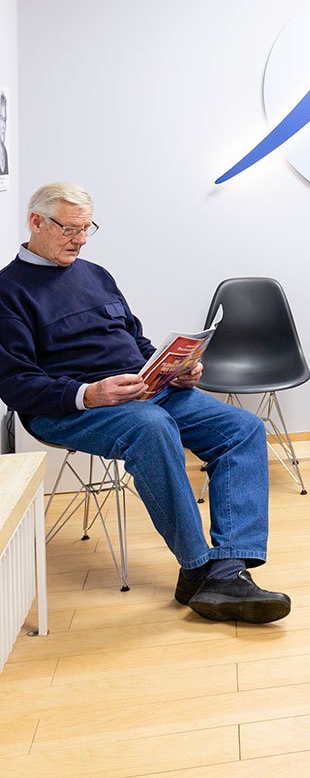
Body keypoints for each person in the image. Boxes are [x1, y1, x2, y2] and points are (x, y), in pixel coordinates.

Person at [0, 182, 291, 623]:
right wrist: (89, 393)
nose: (80, 240)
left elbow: (134, 341)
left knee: (242, 428)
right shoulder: (8, 291)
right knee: (152, 427)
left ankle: (227, 570)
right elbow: (15, 383)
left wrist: (174, 367)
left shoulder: (96, 275)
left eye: (87, 228)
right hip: (70, 409)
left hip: (144, 391)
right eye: (69, 229)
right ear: (36, 222)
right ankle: (197, 567)